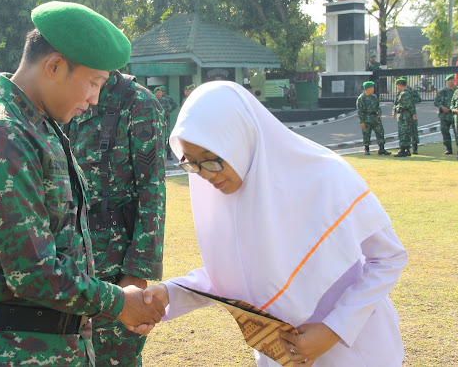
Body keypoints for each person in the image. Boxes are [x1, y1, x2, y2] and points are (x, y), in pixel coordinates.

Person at [0, 2, 165, 366]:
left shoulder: (38, 127)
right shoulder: (1, 135)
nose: (93, 100)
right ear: (55, 66)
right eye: (93, 83)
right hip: (13, 351)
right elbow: (33, 272)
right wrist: (119, 302)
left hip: (55, 344)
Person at [142, 81, 408, 367]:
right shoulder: (231, 198)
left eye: (211, 161)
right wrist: (170, 292)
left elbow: (388, 258)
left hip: (354, 351)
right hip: (281, 355)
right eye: (191, 164)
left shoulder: (326, 177)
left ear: (240, 141)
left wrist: (335, 329)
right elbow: (230, 276)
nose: (204, 175)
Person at [66, 70, 167, 366]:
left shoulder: (137, 103)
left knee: (113, 356)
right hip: (71, 262)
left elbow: (153, 190)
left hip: (114, 263)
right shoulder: (65, 96)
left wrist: (137, 271)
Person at [356, 81, 390, 155]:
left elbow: (378, 107)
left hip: (375, 118)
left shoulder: (374, 97)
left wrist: (379, 114)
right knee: (366, 134)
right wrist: (361, 121)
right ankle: (367, 149)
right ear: (367, 89)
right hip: (366, 118)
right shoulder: (361, 98)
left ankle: (381, 149)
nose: (373, 89)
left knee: (380, 132)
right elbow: (359, 111)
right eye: (372, 88)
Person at [392, 78, 416, 157]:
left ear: (400, 85)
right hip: (404, 115)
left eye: (397, 86)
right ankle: (407, 150)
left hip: (404, 116)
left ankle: (403, 150)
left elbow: (409, 105)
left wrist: (413, 113)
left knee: (403, 132)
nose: (397, 87)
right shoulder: (405, 92)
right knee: (406, 132)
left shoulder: (404, 94)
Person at [434, 74, 457, 154]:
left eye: (452, 80)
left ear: (454, 81)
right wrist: (442, 107)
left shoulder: (457, 90)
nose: (450, 82)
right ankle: (448, 149)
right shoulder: (442, 91)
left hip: (455, 115)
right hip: (444, 115)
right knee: (445, 132)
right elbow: (436, 102)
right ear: (446, 81)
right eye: (449, 80)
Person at [153, 85, 178, 160]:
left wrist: (167, 112)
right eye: (157, 92)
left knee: (167, 136)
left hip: (164, 122)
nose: (159, 94)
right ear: (154, 93)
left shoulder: (165, 100)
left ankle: (169, 154)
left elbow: (171, 106)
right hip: (154, 123)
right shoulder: (152, 100)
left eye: (160, 92)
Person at [403, 77, 422, 154]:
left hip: (412, 113)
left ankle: (415, 148)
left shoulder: (412, 90)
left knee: (413, 131)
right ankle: (406, 148)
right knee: (405, 131)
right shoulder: (400, 91)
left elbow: (419, 99)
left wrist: (410, 101)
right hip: (403, 115)